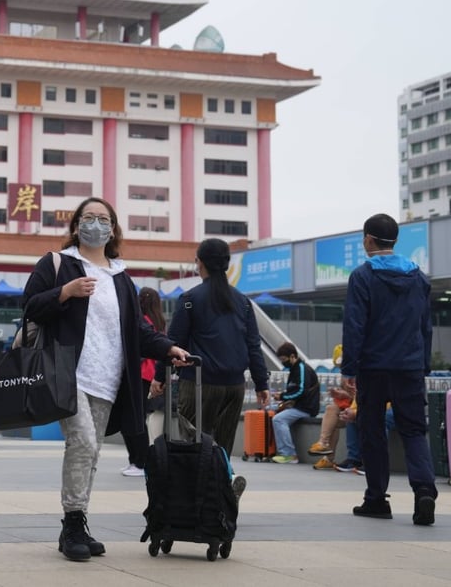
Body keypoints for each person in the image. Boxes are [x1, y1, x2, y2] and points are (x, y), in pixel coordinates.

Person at [23, 197, 187, 562]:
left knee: (92, 451)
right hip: (69, 373)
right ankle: (72, 525)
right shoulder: (58, 264)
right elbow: (31, 306)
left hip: (109, 378)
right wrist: (65, 292)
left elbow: (138, 332)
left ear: (112, 228)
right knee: (82, 443)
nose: (95, 224)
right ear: (76, 225)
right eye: (88, 218)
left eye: (103, 219)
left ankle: (79, 520)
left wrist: (169, 348)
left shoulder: (120, 278)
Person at [152, 238, 269, 499]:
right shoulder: (243, 302)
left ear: (199, 263)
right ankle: (222, 489)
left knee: (192, 442)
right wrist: (262, 384)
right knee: (223, 445)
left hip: (198, 384)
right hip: (235, 387)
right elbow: (253, 345)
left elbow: (173, 343)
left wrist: (159, 377)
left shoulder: (191, 299)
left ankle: (193, 497)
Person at [342, 213, 437, 525]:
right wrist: (422, 364)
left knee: (372, 430)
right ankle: (424, 490)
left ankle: (376, 500)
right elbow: (426, 327)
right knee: (413, 430)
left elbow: (355, 325)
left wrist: (349, 369)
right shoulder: (419, 277)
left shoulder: (363, 276)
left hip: (374, 367)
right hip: (409, 367)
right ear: (394, 240)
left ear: (369, 239)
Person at [121, 286, 165, 477]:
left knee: (133, 419)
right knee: (137, 418)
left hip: (139, 374)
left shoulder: (143, 322)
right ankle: (138, 461)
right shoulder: (159, 323)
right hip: (149, 375)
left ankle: (139, 461)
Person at [269, 342, 320, 464]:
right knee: (270, 410)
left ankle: (289, 454)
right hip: (298, 406)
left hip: (305, 408)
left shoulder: (302, 369)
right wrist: (284, 399)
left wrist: (282, 396)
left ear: (292, 356)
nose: (283, 362)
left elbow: (301, 391)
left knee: (278, 419)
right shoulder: (294, 370)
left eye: (284, 359)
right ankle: (273, 451)